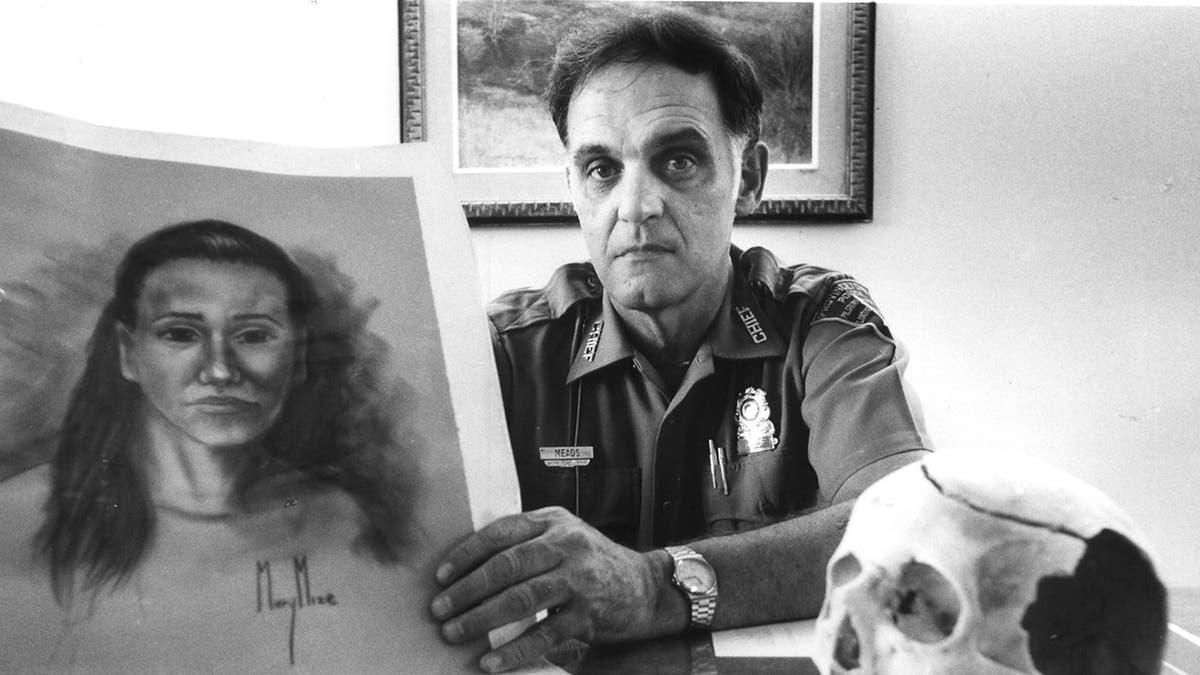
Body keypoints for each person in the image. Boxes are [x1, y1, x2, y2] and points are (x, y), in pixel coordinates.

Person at [430, 10, 932, 673]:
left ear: (748, 177)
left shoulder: (823, 322)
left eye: (679, 159)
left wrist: (651, 587)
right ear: (574, 189)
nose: (636, 205)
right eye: (602, 168)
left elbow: (908, 529)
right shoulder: (501, 351)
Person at [11, 219, 408, 606]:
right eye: (181, 334)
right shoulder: (22, 516)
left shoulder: (338, 521)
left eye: (253, 335)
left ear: (299, 354)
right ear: (127, 353)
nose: (220, 370)